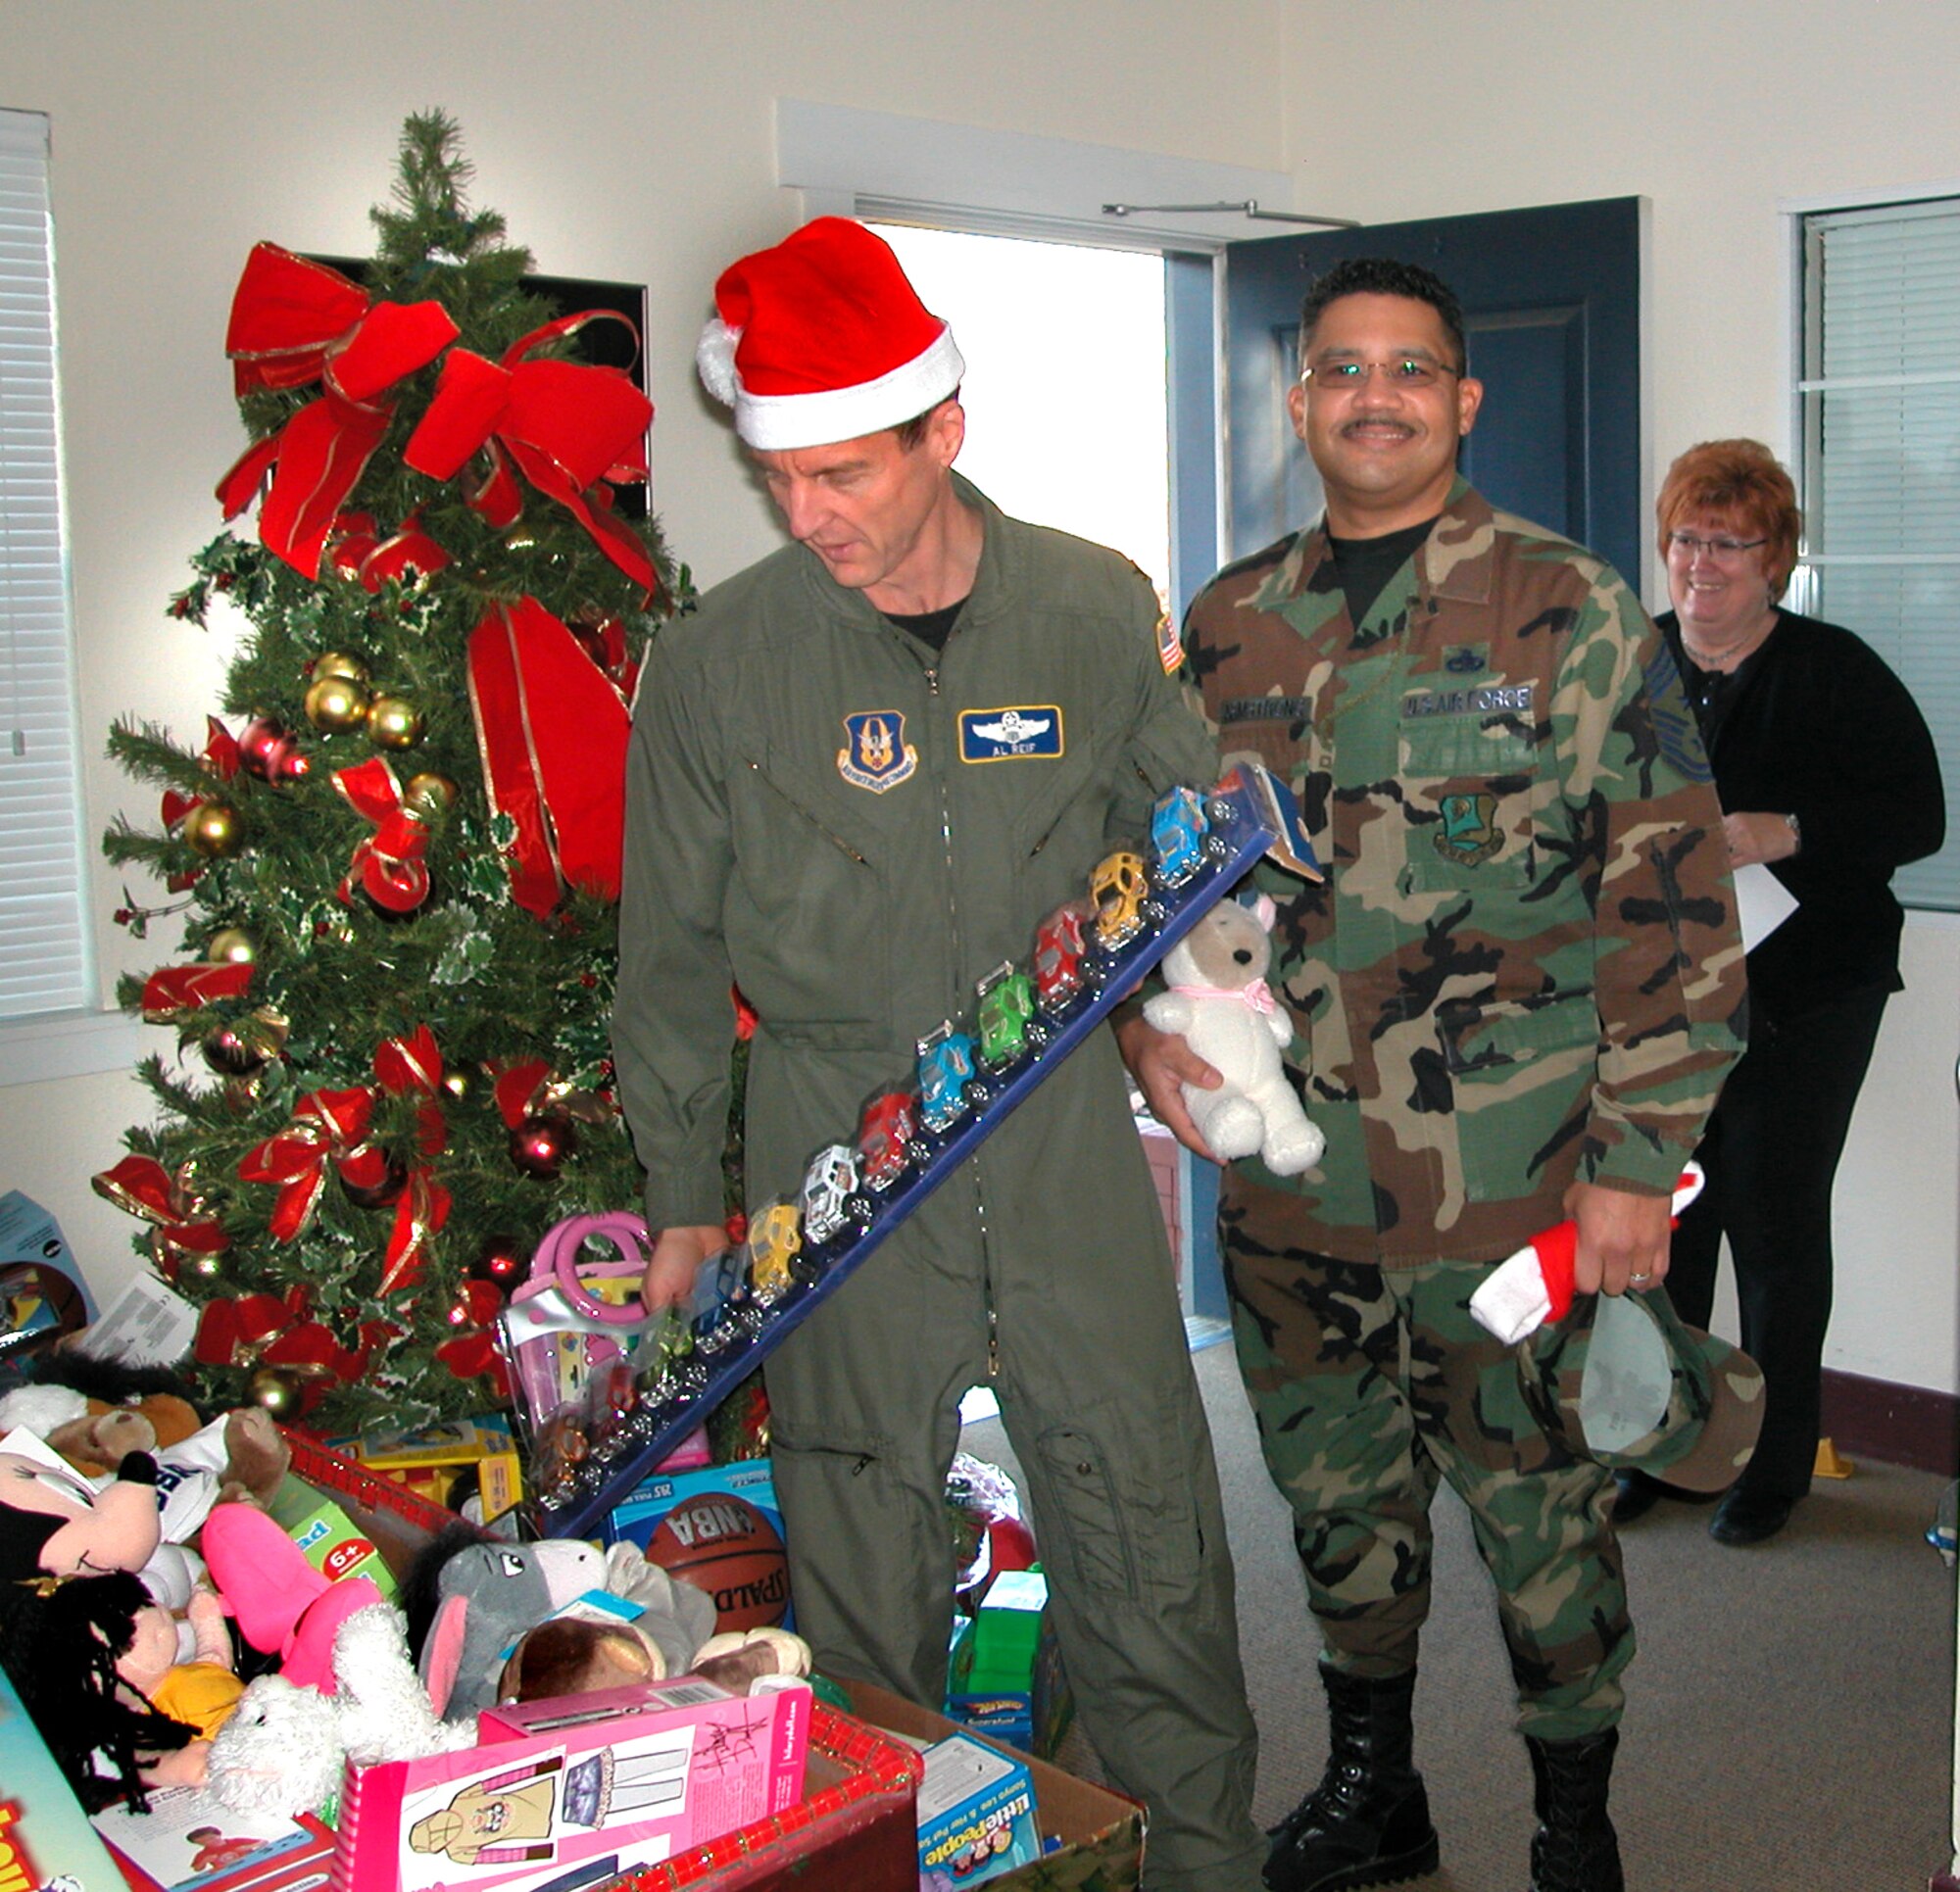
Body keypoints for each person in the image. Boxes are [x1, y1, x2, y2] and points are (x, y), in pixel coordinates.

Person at [612, 217, 1265, 1892]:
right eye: (783, 481)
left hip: (1055, 1148)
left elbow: (1181, 855)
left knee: (1149, 1540)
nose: (807, 512)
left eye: (843, 473)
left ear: (940, 432)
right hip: (829, 1161)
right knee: (861, 1568)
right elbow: (670, 957)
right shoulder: (717, 663)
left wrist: (1186, 1032)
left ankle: (1188, 1862)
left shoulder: (1093, 610)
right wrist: (688, 1193)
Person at [1119, 258, 1747, 1892]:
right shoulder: (1228, 622)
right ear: (1300, 397)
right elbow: (1171, 894)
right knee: (1339, 1515)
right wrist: (1147, 1033)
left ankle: (1572, 1822)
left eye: (1409, 369)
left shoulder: (1576, 606)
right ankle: (1374, 1788)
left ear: (1463, 401)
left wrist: (1637, 1161)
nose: (1373, 394)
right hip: (1295, 1194)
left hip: (1517, 1193)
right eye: (1341, 369)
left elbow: (1672, 896)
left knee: (1546, 1528)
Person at [1613, 440, 1944, 1546]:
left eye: (1728, 542)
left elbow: (1916, 820)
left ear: (1776, 559)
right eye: (1683, 538)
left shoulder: (1832, 669)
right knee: (1667, 1220)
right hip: (1658, 992)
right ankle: (1672, 1443)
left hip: (1805, 991)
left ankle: (1775, 1458)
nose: (1699, 563)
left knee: (1770, 1214)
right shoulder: (1630, 661)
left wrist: (1782, 830)